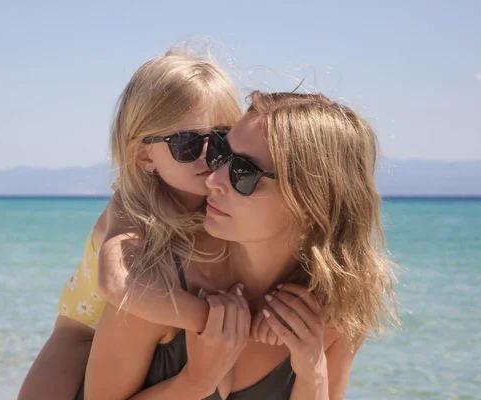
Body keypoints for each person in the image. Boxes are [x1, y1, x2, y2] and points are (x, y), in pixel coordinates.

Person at [84, 91, 397, 399]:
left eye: (241, 173)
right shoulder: (158, 282)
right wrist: (196, 382)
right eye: (222, 154)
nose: (213, 179)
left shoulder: (342, 303)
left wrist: (312, 372)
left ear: (309, 203)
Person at [17, 48, 247, 400]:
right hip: (81, 330)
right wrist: (212, 320)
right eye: (186, 144)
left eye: (220, 140)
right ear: (143, 155)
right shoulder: (130, 205)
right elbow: (115, 283)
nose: (206, 154)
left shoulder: (218, 204)